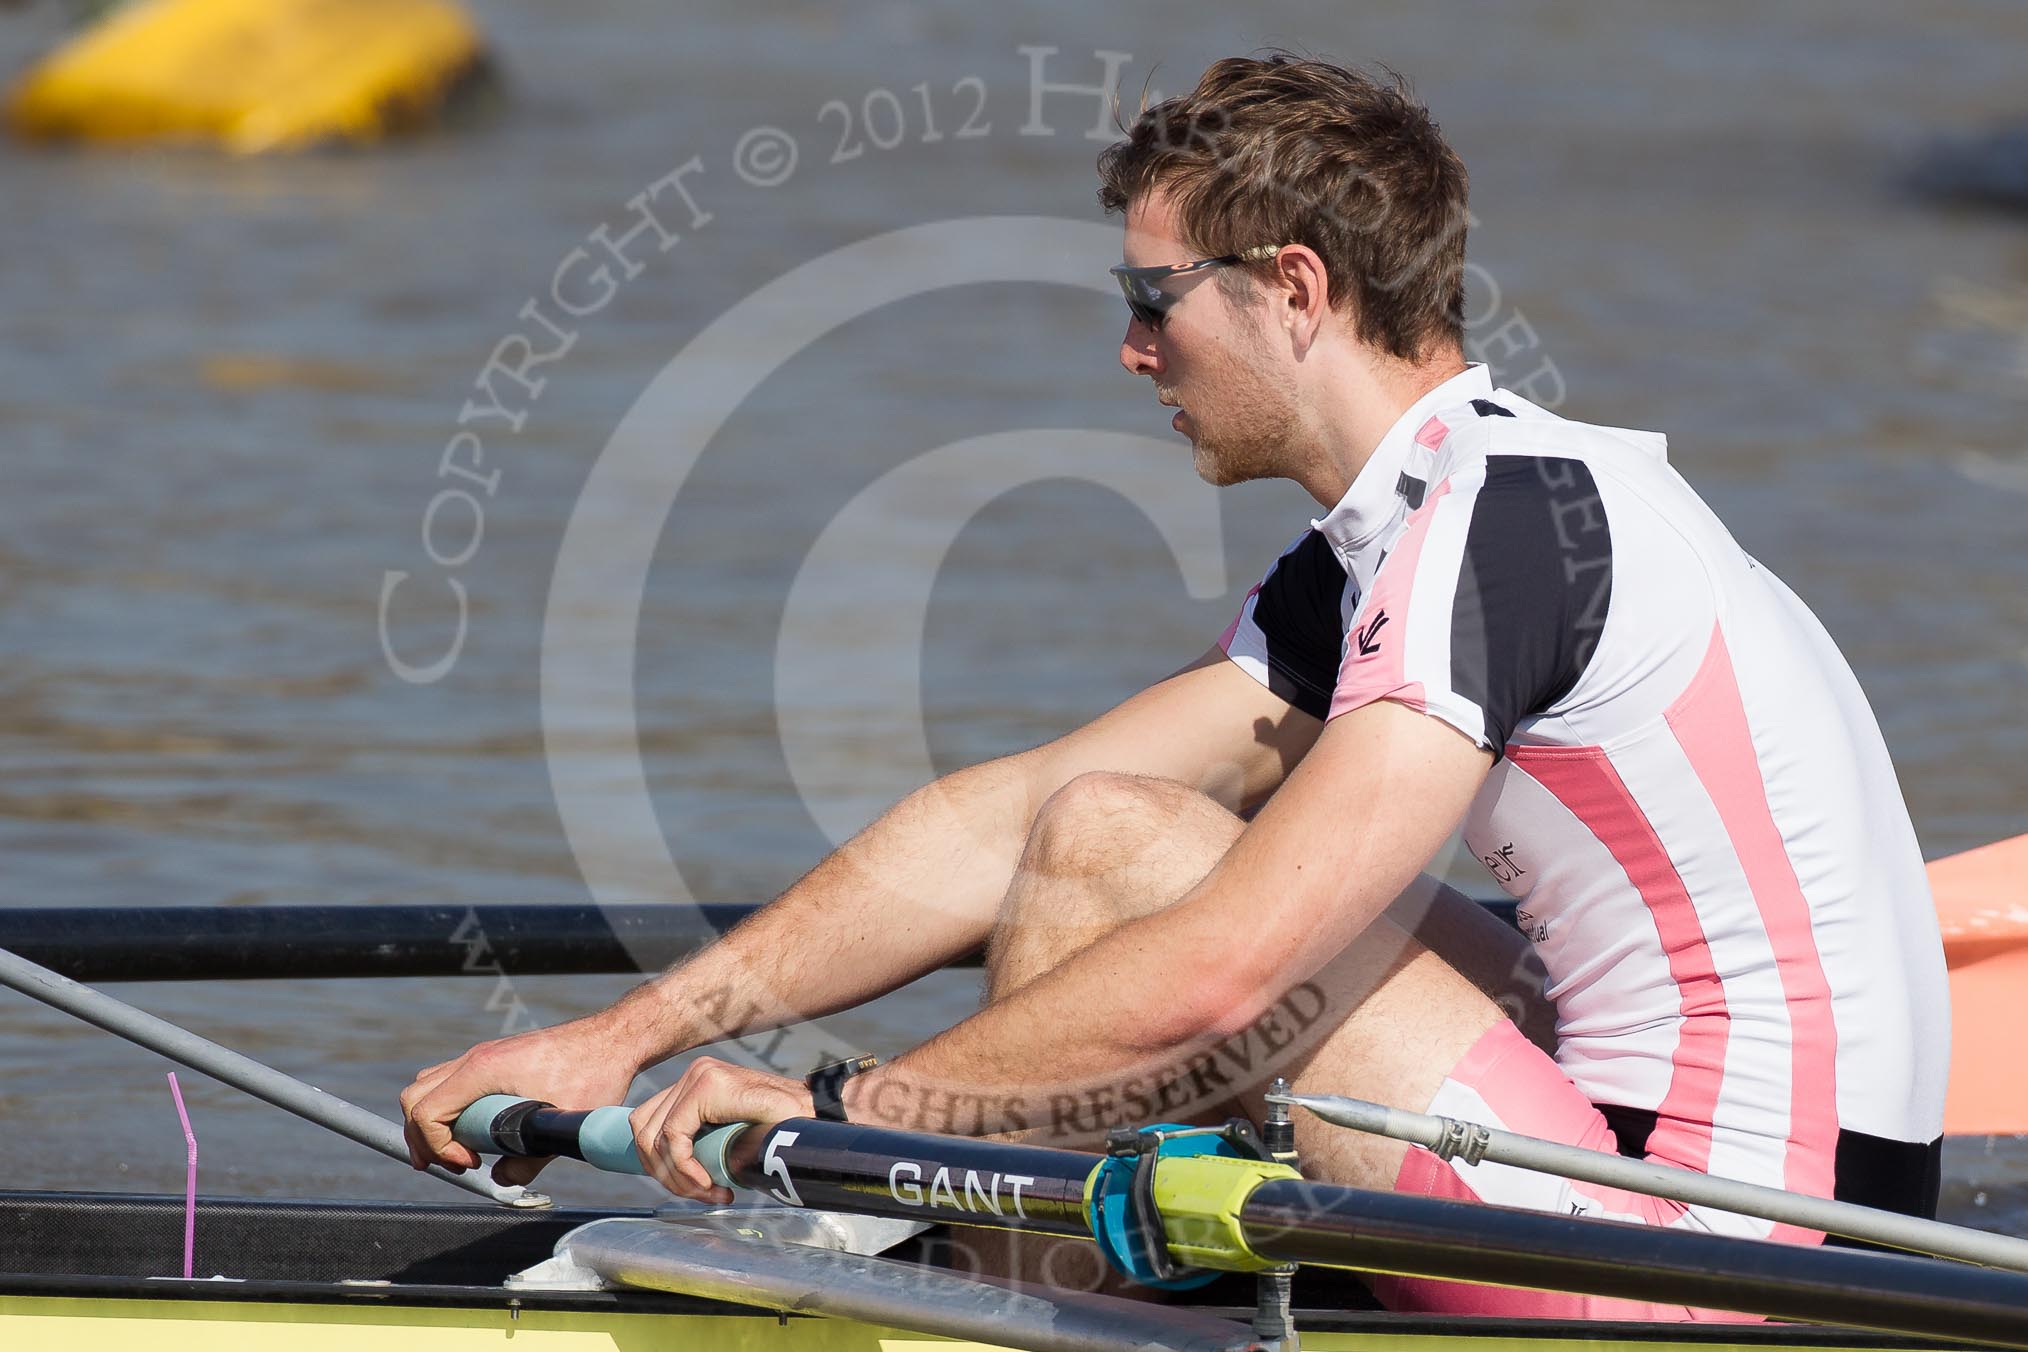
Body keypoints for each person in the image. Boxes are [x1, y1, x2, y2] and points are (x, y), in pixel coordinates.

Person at [401, 55, 1949, 1320]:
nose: (1129, 353)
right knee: (1098, 827)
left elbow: (1221, 965)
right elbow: (1007, 824)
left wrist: (844, 1116)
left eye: (1154, 301)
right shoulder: (1407, 533)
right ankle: (1008, 1279)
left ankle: (988, 1305)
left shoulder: (1508, 522)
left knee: (1137, 862)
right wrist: (625, 1037)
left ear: (1292, 287)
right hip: (1683, 1193)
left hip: (1732, 1269)